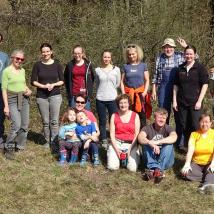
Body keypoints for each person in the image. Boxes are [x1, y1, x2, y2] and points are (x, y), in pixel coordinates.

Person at [173, 45, 208, 148]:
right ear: (184, 55)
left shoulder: (200, 68)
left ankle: (199, 147)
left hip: (195, 102)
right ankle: (189, 146)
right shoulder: (180, 68)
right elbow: (176, 85)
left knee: (196, 125)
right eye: (187, 54)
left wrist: (199, 101)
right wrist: (174, 101)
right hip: (182, 102)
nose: (188, 56)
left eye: (191, 54)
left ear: (194, 55)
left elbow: (205, 84)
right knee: (184, 125)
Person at [31, 43, 64, 148]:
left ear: (51, 52)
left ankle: (54, 141)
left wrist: (53, 84)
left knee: (54, 121)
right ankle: (47, 141)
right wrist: (43, 86)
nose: (45, 53)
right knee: (45, 121)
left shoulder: (57, 64)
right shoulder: (37, 65)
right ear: (41, 53)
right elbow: (33, 81)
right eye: (43, 51)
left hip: (55, 95)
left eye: (47, 51)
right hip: (41, 96)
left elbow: (62, 81)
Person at [2, 50, 32, 159]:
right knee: (16, 125)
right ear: (12, 58)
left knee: (24, 124)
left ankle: (20, 146)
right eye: (17, 58)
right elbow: (4, 89)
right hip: (12, 99)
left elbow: (23, 84)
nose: (19, 61)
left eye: (21, 59)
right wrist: (6, 106)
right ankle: (8, 147)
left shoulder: (23, 70)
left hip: (24, 98)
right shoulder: (6, 71)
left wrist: (28, 90)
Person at [152, 37, 187, 124]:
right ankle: (163, 134)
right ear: (163, 48)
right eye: (166, 47)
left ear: (174, 48)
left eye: (170, 47)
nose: (168, 49)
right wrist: (153, 90)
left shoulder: (180, 55)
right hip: (163, 89)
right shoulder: (159, 58)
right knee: (163, 112)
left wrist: (185, 46)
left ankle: (179, 136)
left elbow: (196, 58)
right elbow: (155, 75)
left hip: (178, 88)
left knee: (178, 112)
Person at [138, 108, 177, 184]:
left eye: (164, 118)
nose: (161, 120)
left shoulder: (168, 128)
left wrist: (157, 142)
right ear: (154, 117)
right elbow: (140, 137)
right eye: (159, 117)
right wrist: (150, 143)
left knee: (169, 144)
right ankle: (157, 170)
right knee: (145, 143)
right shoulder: (147, 128)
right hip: (151, 158)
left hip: (166, 161)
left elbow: (174, 137)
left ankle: (155, 169)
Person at [181, 113, 214, 193]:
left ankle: (206, 186)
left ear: (211, 123)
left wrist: (213, 163)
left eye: (207, 122)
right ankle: (208, 177)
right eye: (202, 122)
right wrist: (187, 163)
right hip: (196, 163)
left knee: (212, 170)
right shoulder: (194, 134)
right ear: (199, 123)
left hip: (210, 163)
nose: (204, 124)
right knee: (184, 173)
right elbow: (190, 150)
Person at [107, 94, 141, 172]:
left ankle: (135, 155)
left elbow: (136, 134)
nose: (123, 105)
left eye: (125, 102)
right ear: (118, 104)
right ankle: (117, 157)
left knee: (132, 169)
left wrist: (130, 148)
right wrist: (116, 149)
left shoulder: (135, 116)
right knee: (112, 167)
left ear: (129, 103)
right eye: (121, 103)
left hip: (131, 144)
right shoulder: (114, 116)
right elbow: (111, 134)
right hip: (117, 143)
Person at [95, 50, 121, 147]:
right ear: (102, 58)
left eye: (108, 57)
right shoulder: (97, 70)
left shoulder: (116, 69)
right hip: (100, 98)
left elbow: (118, 83)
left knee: (113, 120)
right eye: (105, 57)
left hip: (113, 98)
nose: (106, 59)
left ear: (111, 58)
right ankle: (104, 139)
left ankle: (113, 138)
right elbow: (97, 83)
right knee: (102, 120)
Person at [121, 44, 150, 127]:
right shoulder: (125, 66)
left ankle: (143, 134)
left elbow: (147, 80)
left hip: (140, 94)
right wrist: (124, 93)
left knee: (142, 115)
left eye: (133, 54)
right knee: (130, 114)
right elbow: (122, 81)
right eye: (129, 54)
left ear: (137, 54)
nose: (131, 56)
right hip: (129, 95)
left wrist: (144, 92)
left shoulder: (143, 65)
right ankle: (131, 134)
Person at [64, 45, 94, 110]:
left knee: (86, 117)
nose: (77, 55)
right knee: (73, 117)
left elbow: (92, 78)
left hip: (85, 96)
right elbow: (66, 79)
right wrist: (69, 93)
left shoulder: (88, 64)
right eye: (75, 53)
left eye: (79, 53)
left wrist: (89, 93)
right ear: (73, 54)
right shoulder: (69, 65)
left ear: (82, 53)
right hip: (74, 96)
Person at [0, 33, 10, 151]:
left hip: (1, 89)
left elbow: (9, 73)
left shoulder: (4, 56)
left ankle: (0, 138)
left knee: (1, 115)